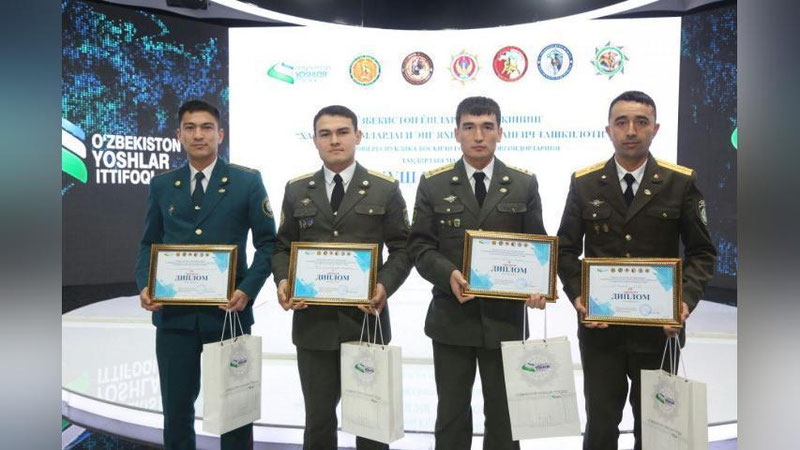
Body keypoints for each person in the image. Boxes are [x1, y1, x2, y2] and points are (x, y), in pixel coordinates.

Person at [556, 90, 716, 450]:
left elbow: (702, 252)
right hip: (601, 332)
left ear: (655, 129)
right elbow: (565, 249)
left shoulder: (680, 182)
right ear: (608, 130)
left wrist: (684, 302)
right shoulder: (584, 182)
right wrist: (579, 298)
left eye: (641, 122)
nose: (631, 130)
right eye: (622, 122)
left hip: (659, 332)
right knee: (601, 425)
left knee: (658, 429)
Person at [407, 96, 548, 450]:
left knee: (504, 418)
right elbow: (420, 247)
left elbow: (538, 246)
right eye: (469, 127)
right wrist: (449, 274)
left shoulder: (523, 184)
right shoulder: (434, 184)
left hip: (506, 321)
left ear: (500, 132)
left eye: (487, 127)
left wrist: (538, 286)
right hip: (451, 319)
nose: (479, 136)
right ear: (456, 133)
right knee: (452, 415)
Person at [135, 99, 276, 449]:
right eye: (190, 128)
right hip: (174, 318)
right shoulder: (162, 185)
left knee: (235, 412)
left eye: (206, 127)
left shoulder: (246, 182)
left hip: (229, 314)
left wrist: (247, 289)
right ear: (179, 135)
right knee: (176, 411)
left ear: (220, 134)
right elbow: (149, 242)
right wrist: (145, 284)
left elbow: (268, 244)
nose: (198, 135)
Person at [271, 105, 412, 450]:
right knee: (318, 423)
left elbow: (403, 248)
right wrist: (283, 281)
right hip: (313, 326)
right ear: (315, 140)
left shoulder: (384, 189)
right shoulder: (297, 189)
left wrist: (383, 286)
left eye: (342, 132)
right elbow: (282, 247)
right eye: (325, 134)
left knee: (372, 424)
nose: (334, 140)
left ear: (357, 136)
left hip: (366, 323)